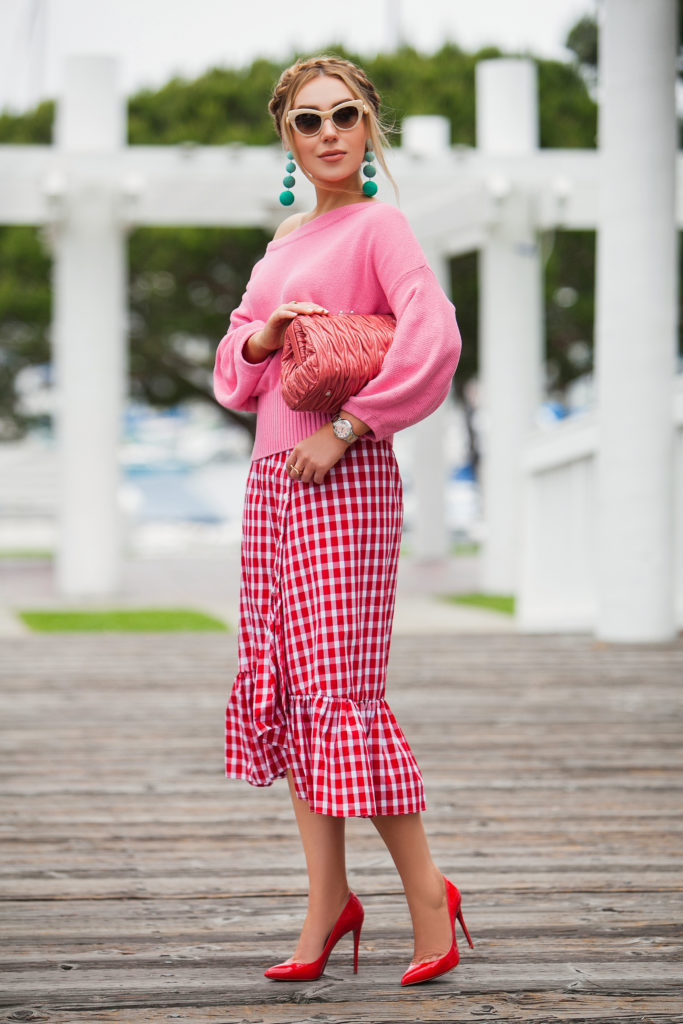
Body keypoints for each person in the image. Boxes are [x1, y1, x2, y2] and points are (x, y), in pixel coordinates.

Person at [213, 54, 471, 987]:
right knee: (286, 690)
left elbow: (432, 332)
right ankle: (328, 904)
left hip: (346, 476)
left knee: (342, 694)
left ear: (369, 127)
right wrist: (266, 333)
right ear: (286, 137)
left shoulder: (382, 227)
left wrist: (355, 425)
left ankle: (426, 894)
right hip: (271, 479)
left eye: (345, 116)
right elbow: (236, 372)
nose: (328, 134)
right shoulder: (282, 244)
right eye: (308, 122)